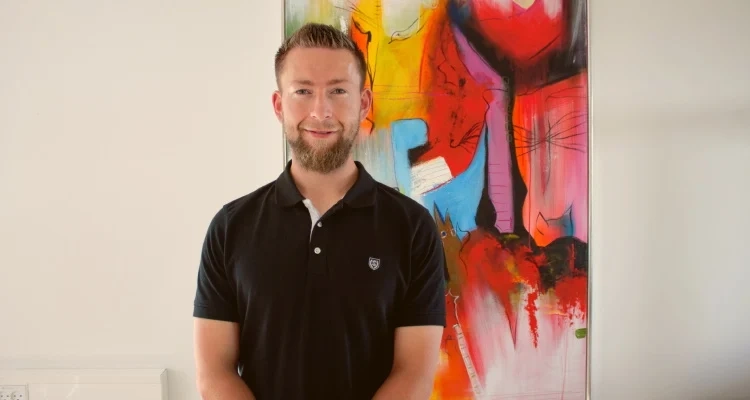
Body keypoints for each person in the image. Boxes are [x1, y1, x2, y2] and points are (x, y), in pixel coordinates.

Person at [192, 22, 447, 400]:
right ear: (279, 105)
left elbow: (413, 375)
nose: (321, 110)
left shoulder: (412, 228)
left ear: (364, 103)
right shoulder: (230, 226)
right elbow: (215, 374)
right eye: (303, 91)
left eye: (338, 91)